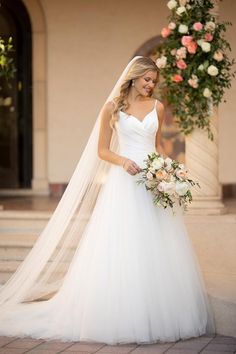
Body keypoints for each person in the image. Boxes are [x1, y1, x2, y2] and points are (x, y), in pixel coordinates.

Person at [0, 56, 215, 345]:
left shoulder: (158, 107)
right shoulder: (112, 108)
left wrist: (171, 172)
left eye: (154, 81)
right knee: (123, 243)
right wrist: (123, 160)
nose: (151, 85)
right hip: (124, 183)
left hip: (152, 180)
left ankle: (155, 310)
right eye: (146, 79)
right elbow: (102, 150)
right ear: (134, 77)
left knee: (155, 242)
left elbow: (158, 146)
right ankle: (121, 314)